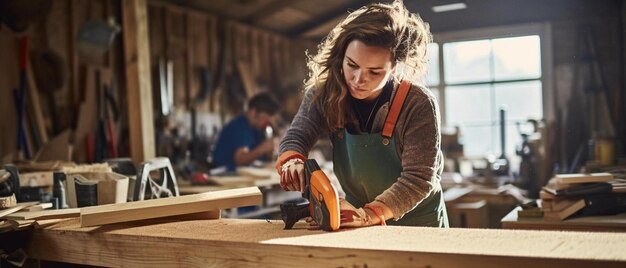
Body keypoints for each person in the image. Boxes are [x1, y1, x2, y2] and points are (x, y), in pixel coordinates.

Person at [275, 0, 448, 228]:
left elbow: (418, 179)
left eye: (374, 72)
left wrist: (368, 215)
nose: (358, 80)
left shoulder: (417, 103)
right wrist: (293, 161)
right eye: (352, 65)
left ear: (394, 67)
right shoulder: (324, 94)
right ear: (341, 56)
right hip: (355, 216)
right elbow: (297, 134)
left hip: (417, 224)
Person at [212, 93, 279, 172]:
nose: (266, 123)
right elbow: (240, 159)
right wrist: (262, 149)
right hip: (225, 175)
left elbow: (262, 158)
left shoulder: (256, 129)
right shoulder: (240, 126)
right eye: (265, 119)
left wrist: (270, 151)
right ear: (253, 112)